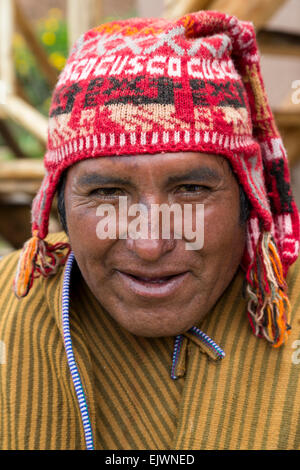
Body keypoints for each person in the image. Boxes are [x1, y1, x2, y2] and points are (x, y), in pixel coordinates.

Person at [0, 10, 300, 450]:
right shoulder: (10, 314)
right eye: (106, 193)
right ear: (57, 204)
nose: (150, 244)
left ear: (248, 196)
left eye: (192, 188)